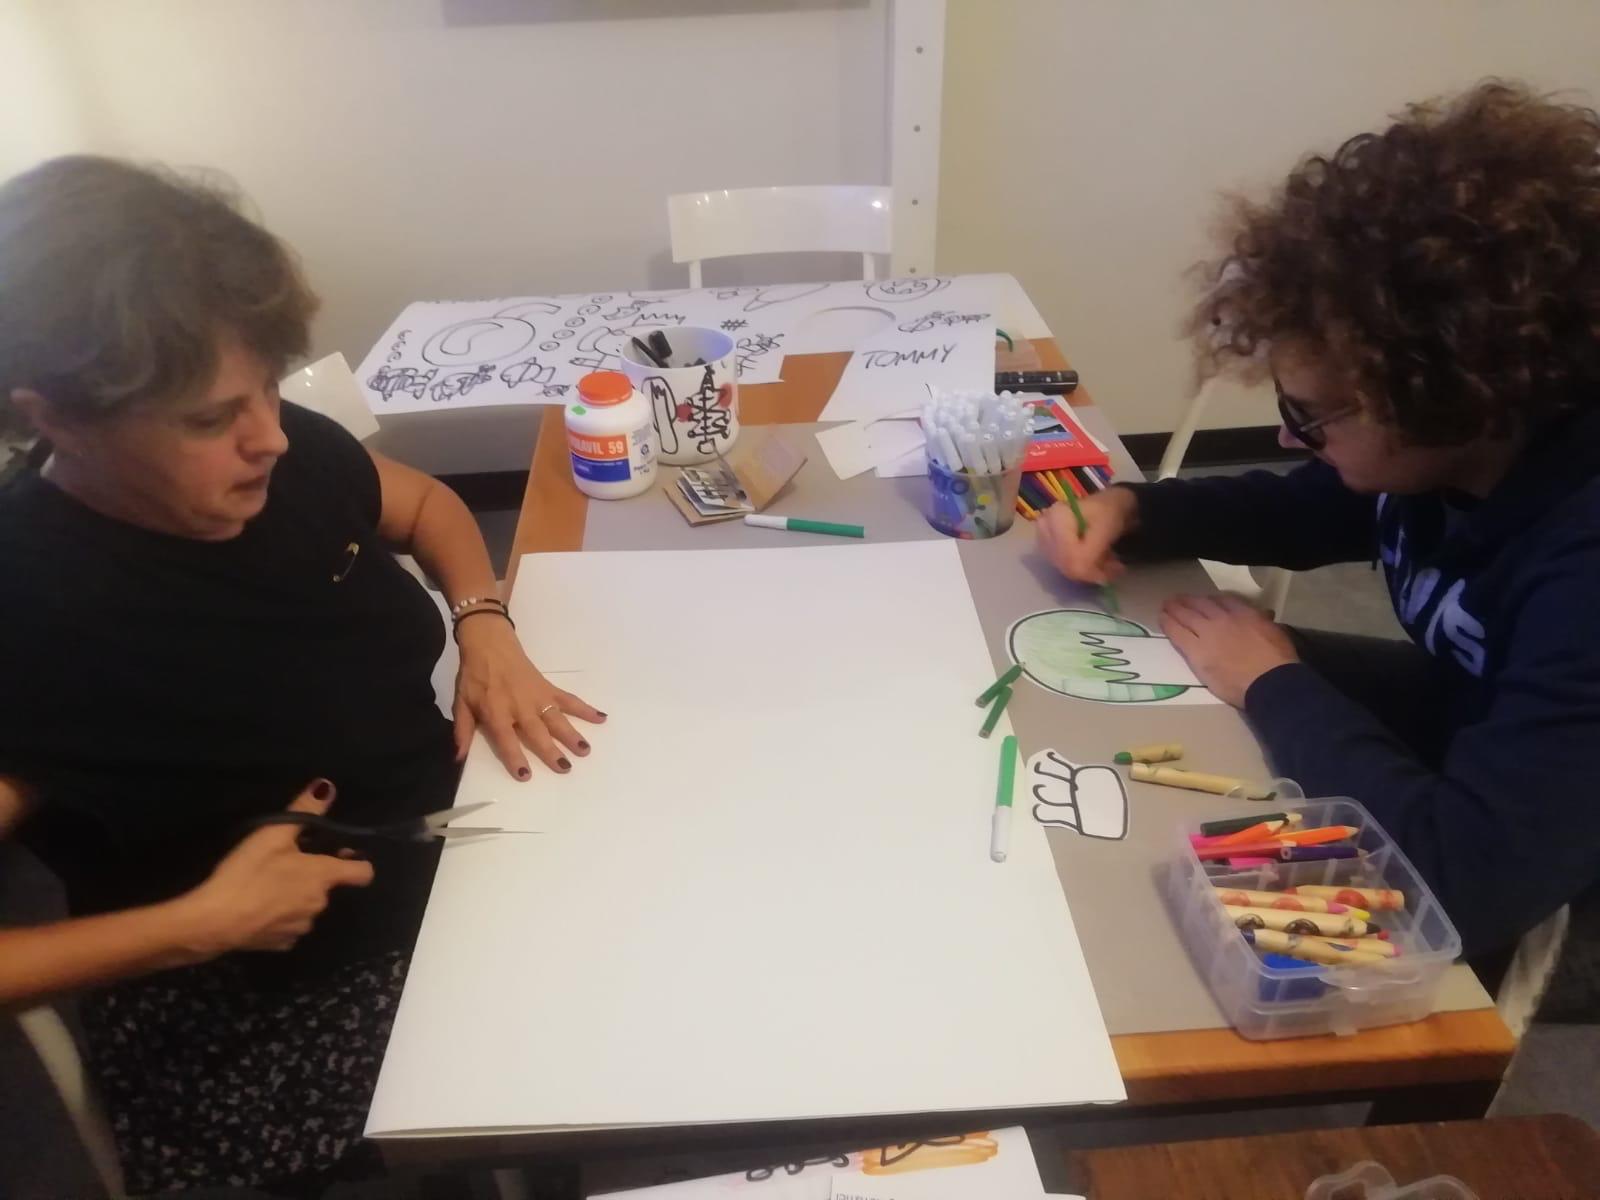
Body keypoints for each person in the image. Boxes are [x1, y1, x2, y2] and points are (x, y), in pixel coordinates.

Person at [0, 156, 604, 1194]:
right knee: (631, 1031)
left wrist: (484, 623)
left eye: (269, 390)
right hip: (258, 1001)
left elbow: (427, 508)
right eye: (209, 420)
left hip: (450, 855)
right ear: (55, 418)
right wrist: (194, 926)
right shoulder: (31, 610)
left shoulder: (287, 461)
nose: (269, 438)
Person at [1038, 81, 1600, 1015]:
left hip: (1557, 867)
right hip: (1488, 724)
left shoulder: (1583, 566)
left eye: (1312, 416)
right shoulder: (1473, 447)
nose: (1288, 437)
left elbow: (1466, 882)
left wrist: (1276, 683)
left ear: (1450, 401)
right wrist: (1140, 512)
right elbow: (1320, 507)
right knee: (1177, 662)